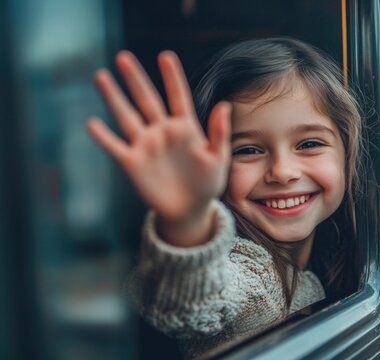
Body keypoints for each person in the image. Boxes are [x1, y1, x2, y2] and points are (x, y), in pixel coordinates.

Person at [87, 37, 362, 357]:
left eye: (309, 144)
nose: (283, 172)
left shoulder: (334, 254)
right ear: (207, 163)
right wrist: (187, 220)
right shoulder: (253, 278)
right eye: (247, 150)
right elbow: (194, 299)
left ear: (346, 150)